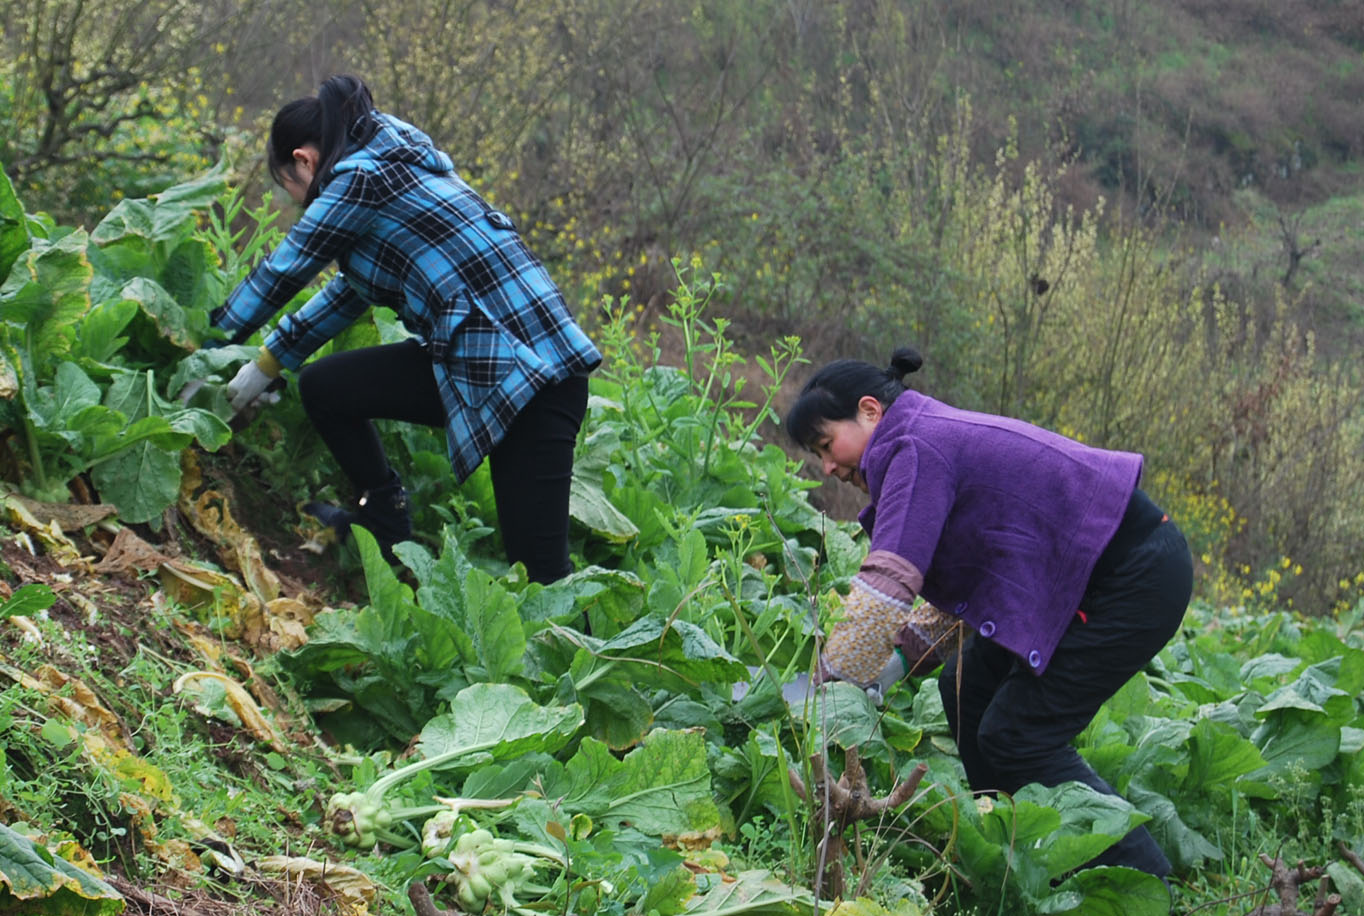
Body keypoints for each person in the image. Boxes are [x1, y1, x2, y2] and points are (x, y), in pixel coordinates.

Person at [785, 346, 1192, 882]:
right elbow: (968, 589)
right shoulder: (923, 435)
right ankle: (1011, 851)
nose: (831, 468)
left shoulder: (913, 446)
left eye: (826, 446)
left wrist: (833, 684)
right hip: (1087, 577)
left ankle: (1142, 880)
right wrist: (894, 661)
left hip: (1129, 577)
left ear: (869, 412)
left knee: (1015, 734)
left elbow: (890, 578)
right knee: (965, 687)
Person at [209, 75, 600, 582]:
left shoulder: (361, 179)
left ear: (304, 160)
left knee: (543, 577)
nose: (305, 209)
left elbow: (283, 272)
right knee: (326, 386)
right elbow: (349, 293)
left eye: (294, 193)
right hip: (477, 363)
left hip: (537, 378)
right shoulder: (395, 171)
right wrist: (263, 366)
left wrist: (203, 345)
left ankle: (599, 658)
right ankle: (384, 522)